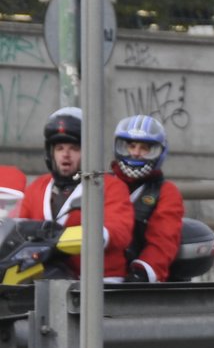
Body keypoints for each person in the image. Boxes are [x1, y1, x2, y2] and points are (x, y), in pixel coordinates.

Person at [15, 106, 136, 280]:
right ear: (50, 153)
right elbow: (19, 227)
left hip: (100, 284)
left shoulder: (109, 186)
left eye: (74, 148)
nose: (65, 155)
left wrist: (76, 237)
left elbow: (120, 231)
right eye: (59, 148)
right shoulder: (37, 187)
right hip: (45, 279)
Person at [108, 114, 184, 282]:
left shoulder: (166, 192)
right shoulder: (102, 183)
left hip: (133, 279)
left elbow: (163, 240)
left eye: (144, 148)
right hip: (93, 274)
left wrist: (142, 272)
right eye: (131, 146)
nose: (136, 153)